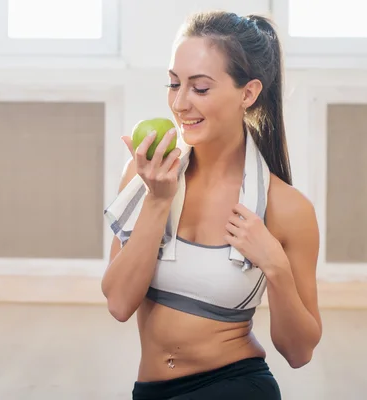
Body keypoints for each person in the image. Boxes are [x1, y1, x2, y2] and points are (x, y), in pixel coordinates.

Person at [102, 10, 322, 400]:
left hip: (235, 386)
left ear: (248, 93)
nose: (180, 103)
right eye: (173, 84)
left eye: (199, 88)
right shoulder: (148, 176)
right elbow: (119, 303)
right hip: (150, 390)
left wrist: (275, 264)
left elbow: (299, 351)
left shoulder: (286, 209)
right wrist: (157, 202)